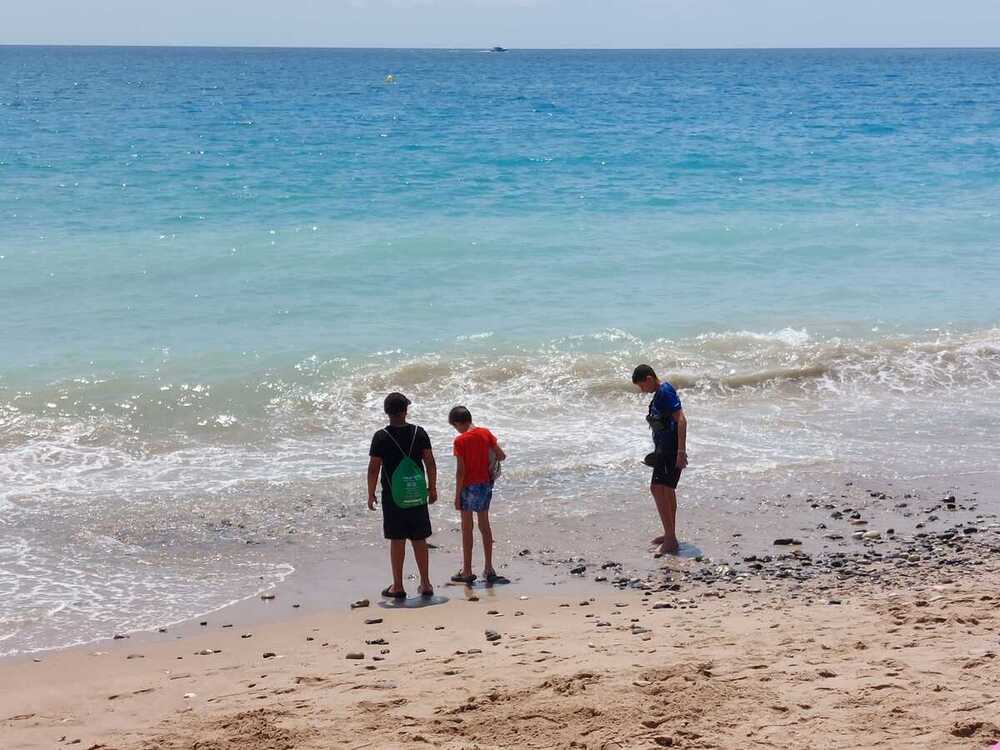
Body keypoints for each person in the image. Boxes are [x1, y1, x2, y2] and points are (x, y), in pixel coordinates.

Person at [367, 392, 438, 599]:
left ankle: (398, 586)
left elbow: (373, 469)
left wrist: (370, 493)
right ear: (406, 411)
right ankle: (425, 583)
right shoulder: (419, 432)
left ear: (386, 412)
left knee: (397, 540)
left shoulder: (381, 436)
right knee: (419, 538)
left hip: (393, 497)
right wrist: (432, 488)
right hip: (416, 494)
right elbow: (430, 462)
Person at [632, 364, 688, 556]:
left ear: (649, 378)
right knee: (666, 490)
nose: (641, 390)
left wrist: (681, 452)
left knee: (657, 489)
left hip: (671, 450)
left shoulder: (665, 392)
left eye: (641, 386)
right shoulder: (659, 394)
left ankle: (671, 540)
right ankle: (670, 534)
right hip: (664, 450)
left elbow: (681, 419)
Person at [447, 405, 506, 585]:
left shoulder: (460, 441)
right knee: (484, 526)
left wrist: (457, 495)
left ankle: (467, 570)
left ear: (457, 423)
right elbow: (501, 456)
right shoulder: (485, 433)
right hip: (485, 485)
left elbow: (461, 471)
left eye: (455, 426)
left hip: (468, 487)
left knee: (467, 529)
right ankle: (489, 568)